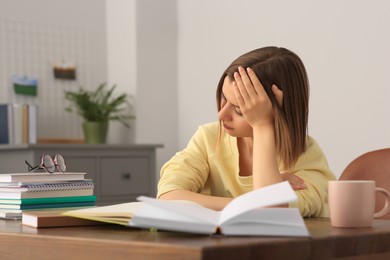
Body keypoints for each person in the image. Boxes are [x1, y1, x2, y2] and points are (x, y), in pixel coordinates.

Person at [157, 46, 336, 217]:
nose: (221, 114)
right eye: (223, 98)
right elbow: (168, 196)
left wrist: (263, 125)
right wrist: (251, 202)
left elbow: (269, 211)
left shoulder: (306, 157)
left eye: (239, 110)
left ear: (278, 111)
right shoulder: (208, 138)